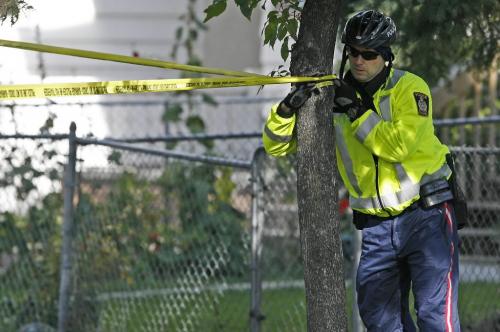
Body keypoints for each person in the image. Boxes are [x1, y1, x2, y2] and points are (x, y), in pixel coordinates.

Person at [262, 9, 462, 332]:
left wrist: (356, 111)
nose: (358, 60)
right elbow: (276, 146)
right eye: (353, 51)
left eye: (368, 54)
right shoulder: (331, 97)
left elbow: (398, 146)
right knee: (379, 320)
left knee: (435, 316)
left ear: (385, 56)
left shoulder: (410, 89)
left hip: (427, 217)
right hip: (377, 231)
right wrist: (285, 111)